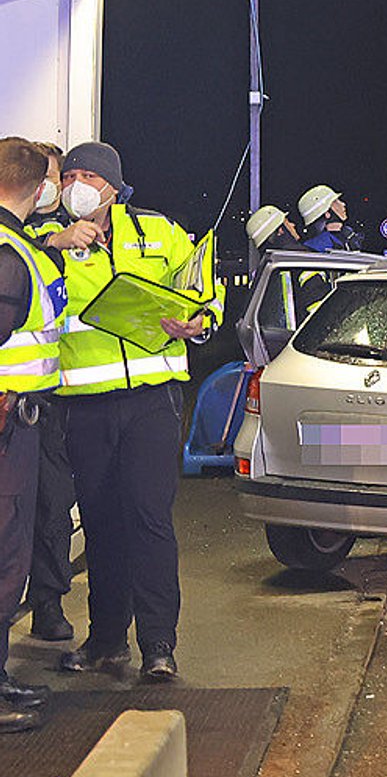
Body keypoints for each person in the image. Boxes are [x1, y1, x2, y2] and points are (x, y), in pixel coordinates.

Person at [44, 142, 211, 681]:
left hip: (151, 400)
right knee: (101, 525)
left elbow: (199, 288)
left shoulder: (157, 231)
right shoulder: (47, 241)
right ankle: (107, 641)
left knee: (149, 520)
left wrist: (201, 319)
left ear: (113, 186)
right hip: (85, 406)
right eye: (68, 175)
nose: (75, 184)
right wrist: (54, 243)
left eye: (88, 175)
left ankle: (159, 645)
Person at [0, 137, 65, 731]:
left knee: (9, 553)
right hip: (3, 426)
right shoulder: (6, 253)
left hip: (18, 422)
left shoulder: (19, 244)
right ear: (33, 184)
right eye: (55, 178)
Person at [18, 141, 75, 644]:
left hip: (58, 400)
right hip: (16, 405)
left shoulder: (76, 237)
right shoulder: (24, 239)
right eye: (48, 176)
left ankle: (48, 602)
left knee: (54, 509)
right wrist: (54, 243)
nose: (53, 186)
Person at [296, 185, 362, 254]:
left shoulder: (348, 235)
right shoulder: (316, 247)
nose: (343, 204)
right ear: (327, 213)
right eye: (335, 201)